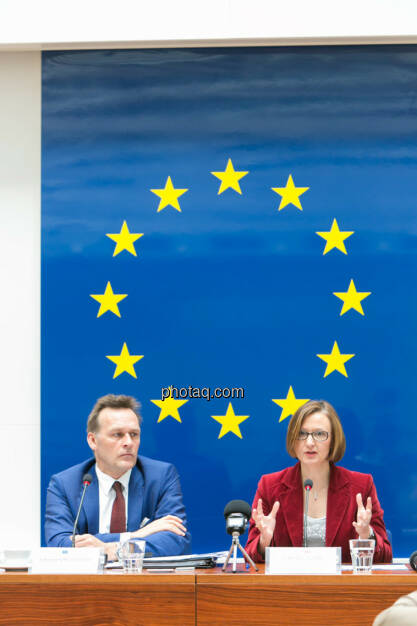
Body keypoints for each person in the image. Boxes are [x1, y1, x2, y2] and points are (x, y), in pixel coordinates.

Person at [45, 394, 191, 558]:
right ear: (93, 440)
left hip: (144, 581)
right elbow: (60, 544)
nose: (128, 442)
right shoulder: (65, 484)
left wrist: (113, 549)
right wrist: (136, 535)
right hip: (86, 583)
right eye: (117, 434)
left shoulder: (160, 476)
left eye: (134, 434)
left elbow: (176, 539)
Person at [245, 400, 391, 563]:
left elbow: (385, 557)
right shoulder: (270, 486)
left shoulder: (361, 486)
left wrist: (366, 534)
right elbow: (249, 558)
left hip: (342, 588)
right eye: (302, 434)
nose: (309, 443)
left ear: (334, 440)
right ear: (293, 439)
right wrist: (264, 541)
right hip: (288, 587)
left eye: (320, 434)